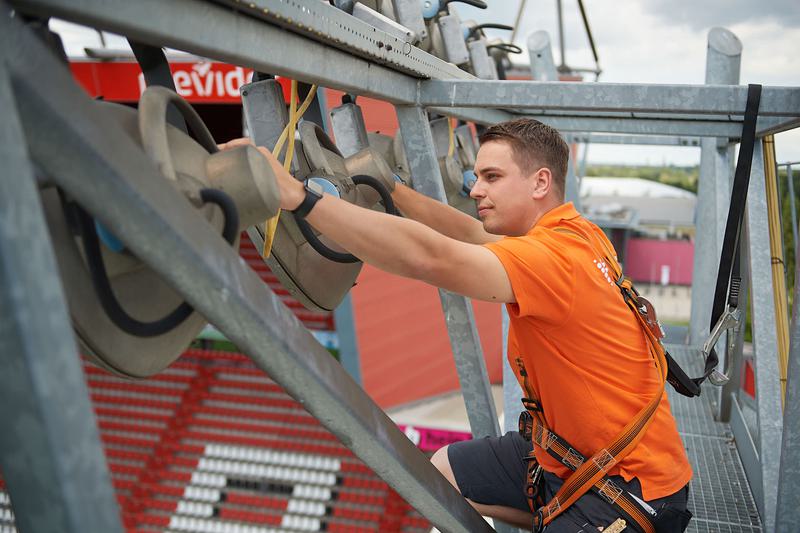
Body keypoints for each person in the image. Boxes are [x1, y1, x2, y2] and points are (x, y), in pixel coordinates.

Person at [221, 118, 692, 531]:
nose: (475, 189)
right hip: (577, 456)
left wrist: (299, 197)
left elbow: (431, 257)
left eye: (492, 177)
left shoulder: (551, 261)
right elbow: (468, 232)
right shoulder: (576, 232)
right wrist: (390, 189)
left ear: (540, 182)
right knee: (441, 472)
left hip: (630, 489)